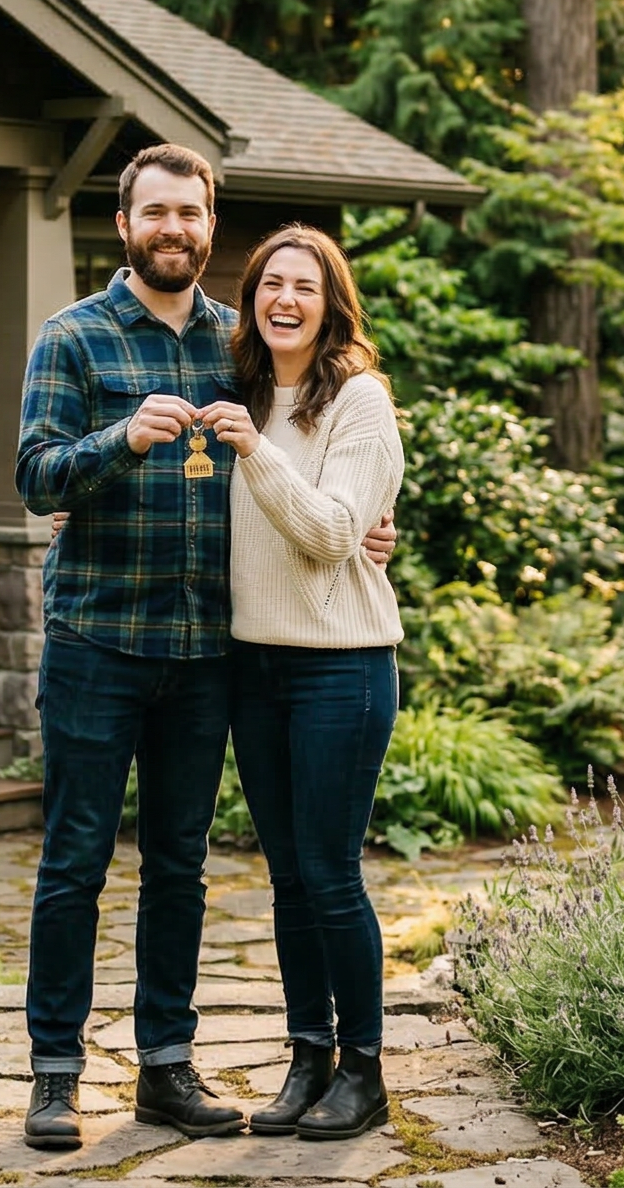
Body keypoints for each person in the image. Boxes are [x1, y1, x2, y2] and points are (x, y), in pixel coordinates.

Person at [13, 145, 390, 1151]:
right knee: (74, 862)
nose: (174, 228)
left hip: (208, 654)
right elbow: (35, 478)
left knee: (177, 865)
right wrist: (119, 441)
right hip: (98, 638)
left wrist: (374, 526)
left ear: (209, 226)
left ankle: (165, 1068)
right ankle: (55, 1074)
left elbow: (323, 460)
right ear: (124, 225)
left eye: (191, 212)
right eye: (156, 213)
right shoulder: (74, 338)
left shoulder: (240, 343)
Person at [194, 225, 405, 1140]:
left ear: (330, 303)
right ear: (251, 300)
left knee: (329, 874)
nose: (285, 298)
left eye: (304, 287)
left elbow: (328, 534)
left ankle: (364, 1068)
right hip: (255, 666)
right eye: (270, 283)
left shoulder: (358, 403)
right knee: (286, 878)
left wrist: (254, 448)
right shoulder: (239, 392)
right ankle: (306, 1055)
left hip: (341, 669)